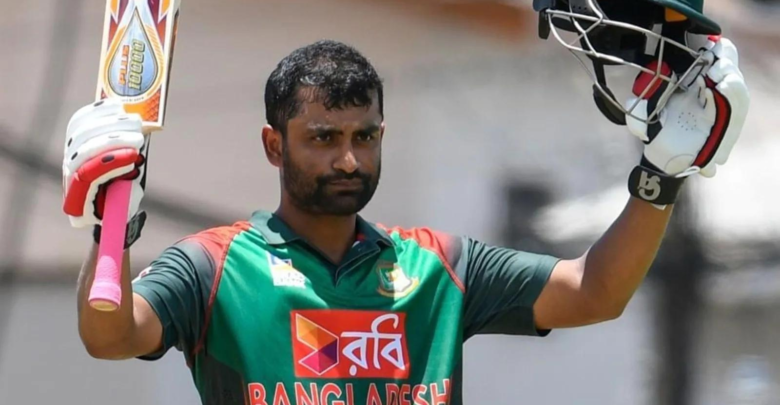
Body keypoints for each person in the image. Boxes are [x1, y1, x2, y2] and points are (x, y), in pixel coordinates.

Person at [62, 1, 749, 403]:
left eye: (364, 136)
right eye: (323, 138)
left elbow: (596, 291)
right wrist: (108, 226)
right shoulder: (212, 268)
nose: (349, 159)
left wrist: (660, 178)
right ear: (274, 146)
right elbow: (109, 334)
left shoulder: (440, 266)